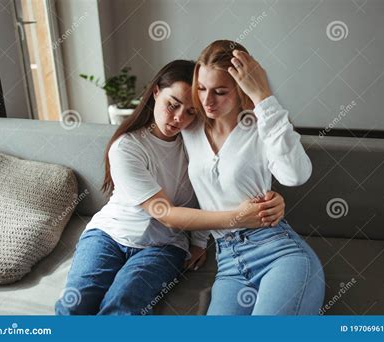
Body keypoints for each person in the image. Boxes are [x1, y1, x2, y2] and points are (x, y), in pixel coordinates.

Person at [55, 59, 285, 315]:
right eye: (172, 105)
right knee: (74, 306)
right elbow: (166, 214)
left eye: (190, 112)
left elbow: (208, 193)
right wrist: (239, 217)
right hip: (108, 234)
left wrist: (199, 241)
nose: (178, 118)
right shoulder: (127, 147)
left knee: (122, 305)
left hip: (164, 246)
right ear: (155, 92)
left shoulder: (198, 145)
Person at [181, 40, 325, 315]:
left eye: (220, 92)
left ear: (240, 90)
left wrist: (264, 98)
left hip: (278, 252)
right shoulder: (190, 130)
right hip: (229, 263)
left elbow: (295, 176)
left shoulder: (263, 127)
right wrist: (199, 241)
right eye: (201, 89)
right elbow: (200, 191)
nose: (207, 100)